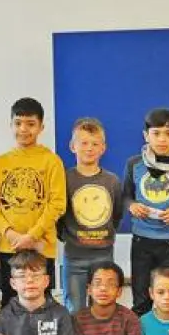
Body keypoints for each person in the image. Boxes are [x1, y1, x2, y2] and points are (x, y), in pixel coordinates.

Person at [0, 97, 67, 305]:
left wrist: (32, 235)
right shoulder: (0, 163)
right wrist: (10, 233)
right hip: (10, 246)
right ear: (11, 124)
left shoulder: (51, 161)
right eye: (18, 123)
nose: (23, 129)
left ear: (41, 126)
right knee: (10, 300)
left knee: (41, 301)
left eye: (30, 124)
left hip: (41, 244)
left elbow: (57, 203)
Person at [123, 107, 169, 316]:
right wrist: (132, 206)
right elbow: (126, 195)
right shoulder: (134, 164)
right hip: (142, 240)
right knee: (141, 297)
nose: (162, 139)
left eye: (168, 133)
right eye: (156, 133)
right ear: (146, 136)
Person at [59, 117, 124, 313]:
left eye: (95, 144)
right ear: (72, 146)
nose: (89, 148)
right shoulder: (65, 179)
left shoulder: (112, 181)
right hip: (74, 256)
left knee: (102, 307)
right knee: (75, 308)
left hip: (103, 255)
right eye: (84, 143)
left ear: (103, 148)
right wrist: (66, 236)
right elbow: (59, 214)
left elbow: (117, 215)